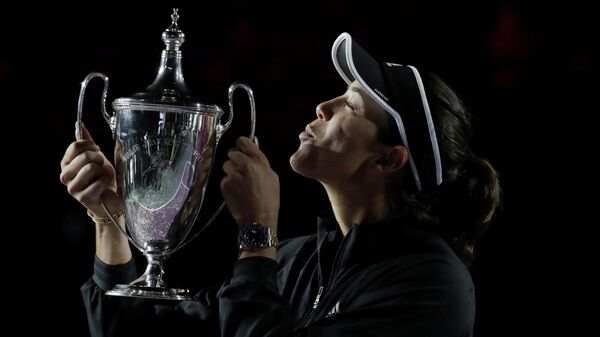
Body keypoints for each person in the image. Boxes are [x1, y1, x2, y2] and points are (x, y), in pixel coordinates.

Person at [60, 32, 501, 337]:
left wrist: (257, 232)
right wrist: (110, 219)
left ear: (387, 159)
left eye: (350, 105)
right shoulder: (297, 260)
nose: (323, 106)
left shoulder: (431, 286)